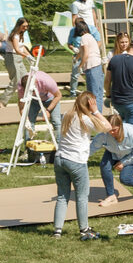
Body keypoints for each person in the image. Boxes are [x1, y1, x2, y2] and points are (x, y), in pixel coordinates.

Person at [54, 92, 112, 241]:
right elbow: (108, 127)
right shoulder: (86, 119)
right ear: (89, 105)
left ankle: (57, 231)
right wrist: (96, 111)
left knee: (62, 196)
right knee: (81, 197)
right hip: (76, 161)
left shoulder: (67, 114)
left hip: (60, 159)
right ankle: (84, 229)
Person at [91, 110, 133, 202]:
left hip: (132, 155)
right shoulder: (103, 135)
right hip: (113, 152)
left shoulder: (132, 134)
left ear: (120, 126)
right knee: (104, 166)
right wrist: (80, 159)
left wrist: (123, 162)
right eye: (109, 130)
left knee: (125, 178)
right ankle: (111, 195)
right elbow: (92, 148)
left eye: (114, 130)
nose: (111, 133)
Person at [0, 18, 36, 107]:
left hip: (18, 58)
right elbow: (16, 49)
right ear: (19, 25)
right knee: (16, 81)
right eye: (24, 26)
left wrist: (30, 55)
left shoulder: (20, 35)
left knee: (26, 79)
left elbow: (22, 47)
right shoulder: (15, 35)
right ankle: (1, 101)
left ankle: (26, 101)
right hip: (11, 57)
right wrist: (26, 56)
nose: (25, 28)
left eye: (27, 26)